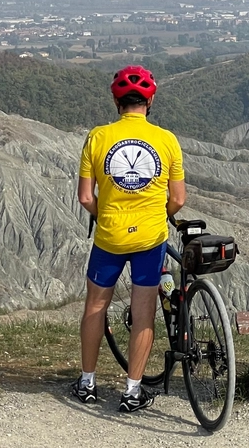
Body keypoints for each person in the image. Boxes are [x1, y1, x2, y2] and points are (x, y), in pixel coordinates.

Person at [71, 65, 187, 412]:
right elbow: (179, 199)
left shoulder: (97, 137)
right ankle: (132, 390)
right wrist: (156, 214)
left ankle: (87, 382)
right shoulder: (166, 140)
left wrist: (102, 214)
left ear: (115, 101)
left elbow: (85, 197)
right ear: (150, 101)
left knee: (95, 307)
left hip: (109, 236)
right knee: (144, 314)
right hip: (150, 238)